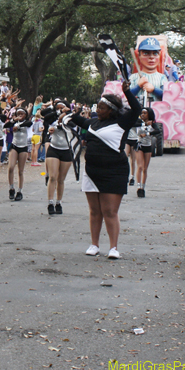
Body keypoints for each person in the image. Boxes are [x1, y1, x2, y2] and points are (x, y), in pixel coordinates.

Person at [73, 81, 141, 259]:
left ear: (111, 110)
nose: (98, 110)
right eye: (97, 107)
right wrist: (66, 114)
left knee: (109, 211)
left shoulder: (122, 122)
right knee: (94, 211)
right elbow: (77, 120)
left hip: (114, 172)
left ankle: (113, 248)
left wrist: (127, 92)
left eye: (101, 108)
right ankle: (94, 244)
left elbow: (136, 109)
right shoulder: (93, 123)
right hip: (92, 172)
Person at [41, 100, 75, 216]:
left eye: (63, 107)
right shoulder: (53, 118)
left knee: (61, 179)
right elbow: (46, 119)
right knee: (53, 177)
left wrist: (64, 118)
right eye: (58, 108)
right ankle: (50, 202)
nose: (61, 110)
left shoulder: (71, 119)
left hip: (66, 150)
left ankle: (58, 202)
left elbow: (73, 127)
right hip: (54, 149)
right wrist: (58, 115)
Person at [5, 108, 31, 201]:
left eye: (22, 114)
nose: (20, 115)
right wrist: (13, 120)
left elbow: (29, 123)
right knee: (11, 167)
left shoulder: (27, 123)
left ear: (25, 115)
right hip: (14, 145)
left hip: (23, 147)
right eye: (18, 113)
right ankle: (11, 188)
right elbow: (6, 125)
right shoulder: (14, 122)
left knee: (20, 171)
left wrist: (18, 126)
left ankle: (19, 191)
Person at [133, 107, 159, 197]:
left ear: (149, 114)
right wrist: (144, 124)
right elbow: (134, 125)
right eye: (142, 113)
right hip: (139, 145)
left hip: (148, 146)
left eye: (145, 113)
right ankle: (138, 187)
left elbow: (157, 131)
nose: (143, 115)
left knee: (145, 168)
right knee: (140, 166)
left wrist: (148, 133)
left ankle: (143, 187)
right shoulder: (139, 122)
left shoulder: (152, 123)